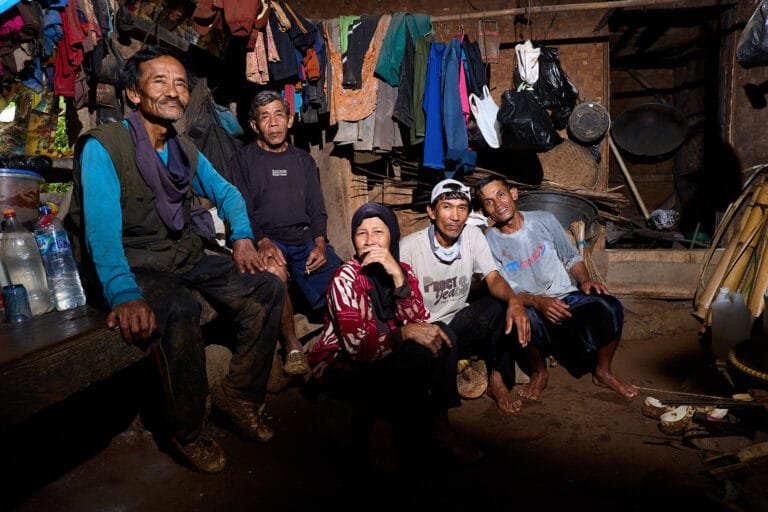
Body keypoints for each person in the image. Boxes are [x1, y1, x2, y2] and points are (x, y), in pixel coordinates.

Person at [72, 46, 284, 473]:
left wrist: (242, 237)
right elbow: (101, 231)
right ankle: (187, 431)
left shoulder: (184, 147)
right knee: (180, 308)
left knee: (266, 285)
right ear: (133, 93)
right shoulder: (103, 147)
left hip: (181, 255)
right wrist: (123, 293)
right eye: (160, 82)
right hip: (132, 263)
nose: (174, 92)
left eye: (181, 84)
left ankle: (240, 395)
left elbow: (227, 193)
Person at [308, 202, 476, 465]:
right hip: (342, 366)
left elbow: (421, 324)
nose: (370, 241)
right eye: (361, 233)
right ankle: (380, 431)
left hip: (387, 356)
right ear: (354, 239)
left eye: (378, 232)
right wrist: (403, 334)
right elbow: (357, 350)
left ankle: (440, 424)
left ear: (392, 237)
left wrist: (398, 278)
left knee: (443, 333)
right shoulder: (345, 279)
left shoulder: (403, 271)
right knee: (412, 353)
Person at [475, 176, 638, 399]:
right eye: (489, 202)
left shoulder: (543, 219)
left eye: (501, 194)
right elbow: (507, 291)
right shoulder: (489, 242)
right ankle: (539, 372)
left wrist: (585, 280)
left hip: (566, 299)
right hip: (532, 306)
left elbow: (571, 257)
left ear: (513, 193)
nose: (498, 204)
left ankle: (602, 371)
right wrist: (539, 302)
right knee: (521, 317)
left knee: (610, 306)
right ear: (484, 210)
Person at [229, 90, 342, 377]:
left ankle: (337, 339)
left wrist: (319, 242)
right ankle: (291, 345)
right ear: (254, 126)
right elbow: (240, 209)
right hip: (267, 239)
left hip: (303, 240)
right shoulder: (242, 160)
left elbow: (317, 209)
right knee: (272, 272)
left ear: (290, 120)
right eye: (265, 118)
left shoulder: (303, 161)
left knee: (343, 279)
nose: (274, 123)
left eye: (279, 115)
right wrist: (262, 240)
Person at [399, 179, 531, 414]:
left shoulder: (472, 236)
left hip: (459, 324)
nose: (455, 216)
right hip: (427, 331)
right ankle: (442, 414)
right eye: (446, 207)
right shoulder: (408, 248)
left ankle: (498, 380)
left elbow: (493, 277)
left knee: (498, 307)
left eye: (462, 208)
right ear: (431, 211)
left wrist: (514, 300)